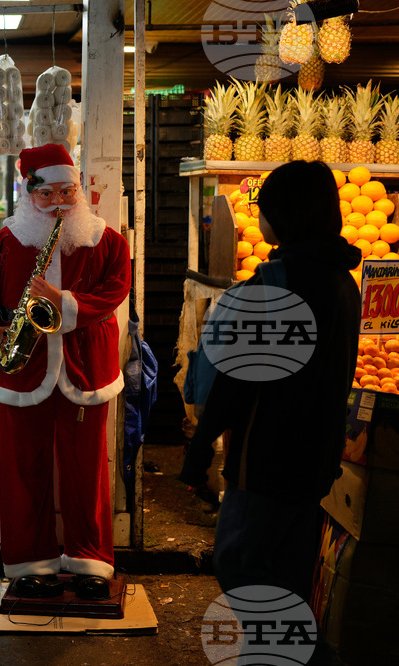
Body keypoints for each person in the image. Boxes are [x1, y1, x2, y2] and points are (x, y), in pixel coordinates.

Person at [179, 160, 361, 607]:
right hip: (317, 458)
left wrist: (201, 448)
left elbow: (234, 383)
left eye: (264, 208)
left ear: (285, 214)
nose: (258, 217)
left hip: (267, 459)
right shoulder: (344, 282)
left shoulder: (273, 285)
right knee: (288, 576)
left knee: (240, 563)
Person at [0, 144, 131, 599]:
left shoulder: (106, 241)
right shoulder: (0, 246)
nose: (62, 202)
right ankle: (29, 563)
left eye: (70, 191)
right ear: (29, 193)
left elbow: (116, 288)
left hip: (86, 369)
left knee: (88, 470)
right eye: (50, 195)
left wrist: (68, 304)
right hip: (25, 368)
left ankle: (92, 562)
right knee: (23, 470)